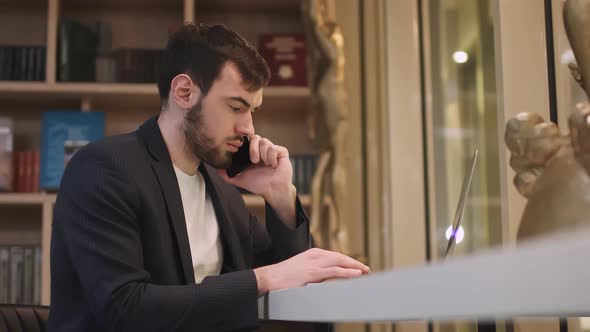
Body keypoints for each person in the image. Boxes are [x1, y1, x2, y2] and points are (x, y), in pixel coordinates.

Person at [47, 23, 370, 332]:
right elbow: (124, 309)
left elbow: (297, 287)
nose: (249, 129)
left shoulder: (224, 194)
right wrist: (262, 279)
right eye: (235, 107)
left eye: (252, 111)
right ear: (184, 92)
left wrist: (280, 195)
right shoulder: (104, 169)